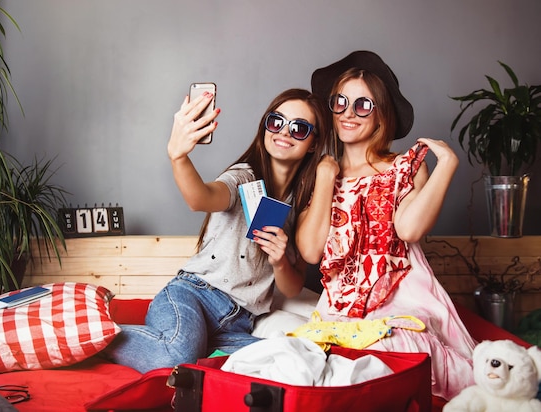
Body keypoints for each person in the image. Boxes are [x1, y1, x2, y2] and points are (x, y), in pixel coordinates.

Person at [102, 88, 332, 373]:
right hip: (193, 296)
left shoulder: (299, 204)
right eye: (276, 121)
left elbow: (291, 287)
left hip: (238, 323)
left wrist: (279, 260)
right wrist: (179, 157)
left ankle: (194, 349)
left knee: (289, 360)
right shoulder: (243, 177)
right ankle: (95, 335)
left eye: (298, 128)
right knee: (175, 358)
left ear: (313, 143)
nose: (284, 132)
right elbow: (201, 198)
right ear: (265, 127)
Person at [296, 50, 476, 400]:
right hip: (339, 308)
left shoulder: (403, 167)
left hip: (399, 301)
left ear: (381, 115)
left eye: (363, 105)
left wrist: (448, 165)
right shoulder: (320, 173)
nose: (349, 113)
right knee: (317, 366)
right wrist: (324, 176)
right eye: (341, 102)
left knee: (394, 350)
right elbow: (310, 250)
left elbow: (409, 229)